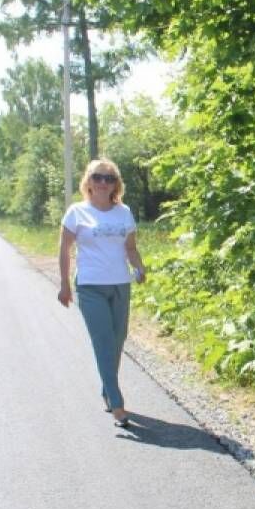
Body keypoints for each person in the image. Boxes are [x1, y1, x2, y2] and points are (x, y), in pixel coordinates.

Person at [58, 159, 147, 429]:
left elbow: (130, 248)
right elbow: (64, 249)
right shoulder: (76, 212)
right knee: (103, 342)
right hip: (90, 286)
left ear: (116, 184)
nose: (103, 183)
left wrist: (139, 267)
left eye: (109, 178)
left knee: (118, 340)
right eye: (98, 177)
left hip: (120, 284)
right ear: (88, 181)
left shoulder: (124, 213)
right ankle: (117, 405)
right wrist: (64, 284)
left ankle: (107, 389)